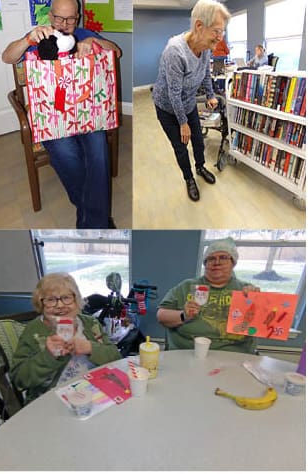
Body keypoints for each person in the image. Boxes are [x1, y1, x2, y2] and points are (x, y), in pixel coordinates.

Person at [1, 0, 121, 229]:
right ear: (49, 15)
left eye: (70, 19)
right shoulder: (38, 36)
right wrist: (28, 39)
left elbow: (117, 52)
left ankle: (90, 216)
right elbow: (7, 57)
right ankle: (97, 218)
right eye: (59, 18)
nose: (64, 25)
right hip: (51, 116)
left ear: (78, 17)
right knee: (66, 153)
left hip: (88, 112)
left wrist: (95, 41)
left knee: (98, 154)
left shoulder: (85, 33)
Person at [152, 0, 230, 202]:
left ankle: (200, 166)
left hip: (187, 104)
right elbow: (173, 93)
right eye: (217, 31)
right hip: (168, 107)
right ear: (199, 26)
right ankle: (189, 178)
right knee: (181, 145)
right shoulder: (175, 52)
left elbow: (205, 73)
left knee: (197, 139)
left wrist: (211, 94)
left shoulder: (205, 47)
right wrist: (183, 123)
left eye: (222, 32)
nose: (220, 37)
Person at [10, 272, 121, 402]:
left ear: (77, 300)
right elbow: (19, 379)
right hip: (51, 398)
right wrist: (48, 356)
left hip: (94, 390)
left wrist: (90, 347)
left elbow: (116, 358)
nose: (60, 305)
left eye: (66, 298)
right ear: (41, 304)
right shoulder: (34, 331)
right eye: (51, 300)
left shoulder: (91, 324)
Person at [157, 237, 260, 353]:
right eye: (211, 259)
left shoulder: (246, 291)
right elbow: (161, 315)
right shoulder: (186, 286)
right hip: (187, 352)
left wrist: (257, 303)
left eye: (223, 257)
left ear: (233, 262)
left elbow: (263, 324)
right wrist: (183, 315)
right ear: (205, 264)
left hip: (234, 355)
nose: (217, 262)